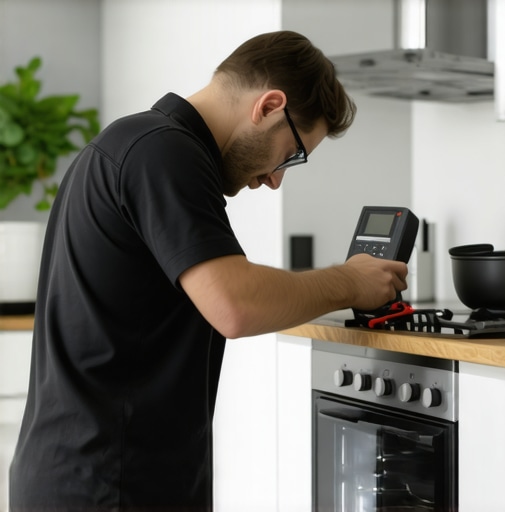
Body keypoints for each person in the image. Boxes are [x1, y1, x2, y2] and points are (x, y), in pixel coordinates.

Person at [9, 30, 408, 512]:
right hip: (109, 485)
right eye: (292, 154)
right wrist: (350, 281)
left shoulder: (135, 142)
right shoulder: (163, 153)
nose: (275, 179)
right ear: (269, 106)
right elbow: (235, 305)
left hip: (91, 476)